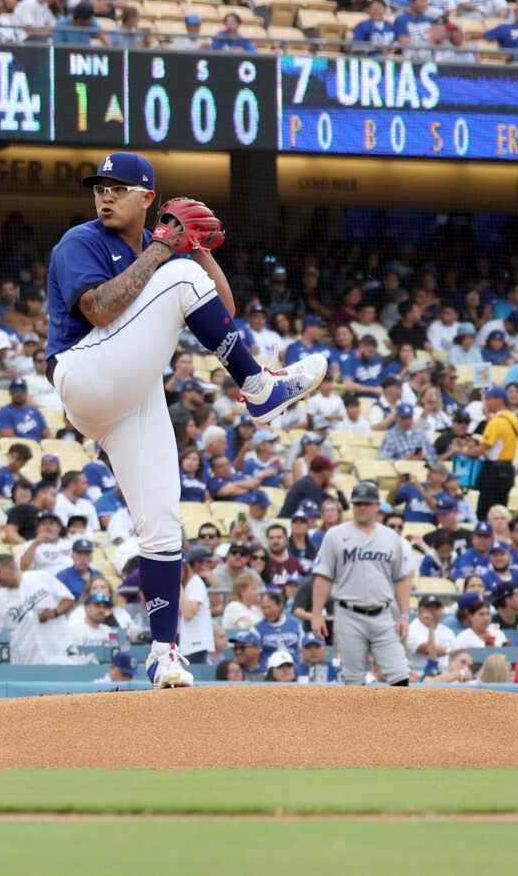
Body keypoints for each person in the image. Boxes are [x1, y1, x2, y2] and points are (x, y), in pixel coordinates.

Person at [42, 151, 325, 690]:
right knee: (176, 277)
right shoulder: (81, 241)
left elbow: (220, 308)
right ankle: (260, 389)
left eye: (119, 187)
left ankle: (164, 653)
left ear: (147, 198)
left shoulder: (164, 254)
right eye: (99, 186)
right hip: (86, 371)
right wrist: (167, 251)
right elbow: (99, 308)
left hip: (131, 391)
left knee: (162, 525)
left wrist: (195, 249)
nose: (104, 195)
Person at [305, 482, 412, 686]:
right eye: (358, 503)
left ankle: (401, 719)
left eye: (367, 503)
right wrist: (317, 614)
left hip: (382, 613)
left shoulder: (390, 537)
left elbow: (401, 578)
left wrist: (405, 615)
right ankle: (358, 719)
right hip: (348, 613)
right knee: (353, 678)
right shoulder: (335, 535)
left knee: (400, 674)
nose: (362, 507)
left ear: (377, 506)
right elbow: (323, 576)